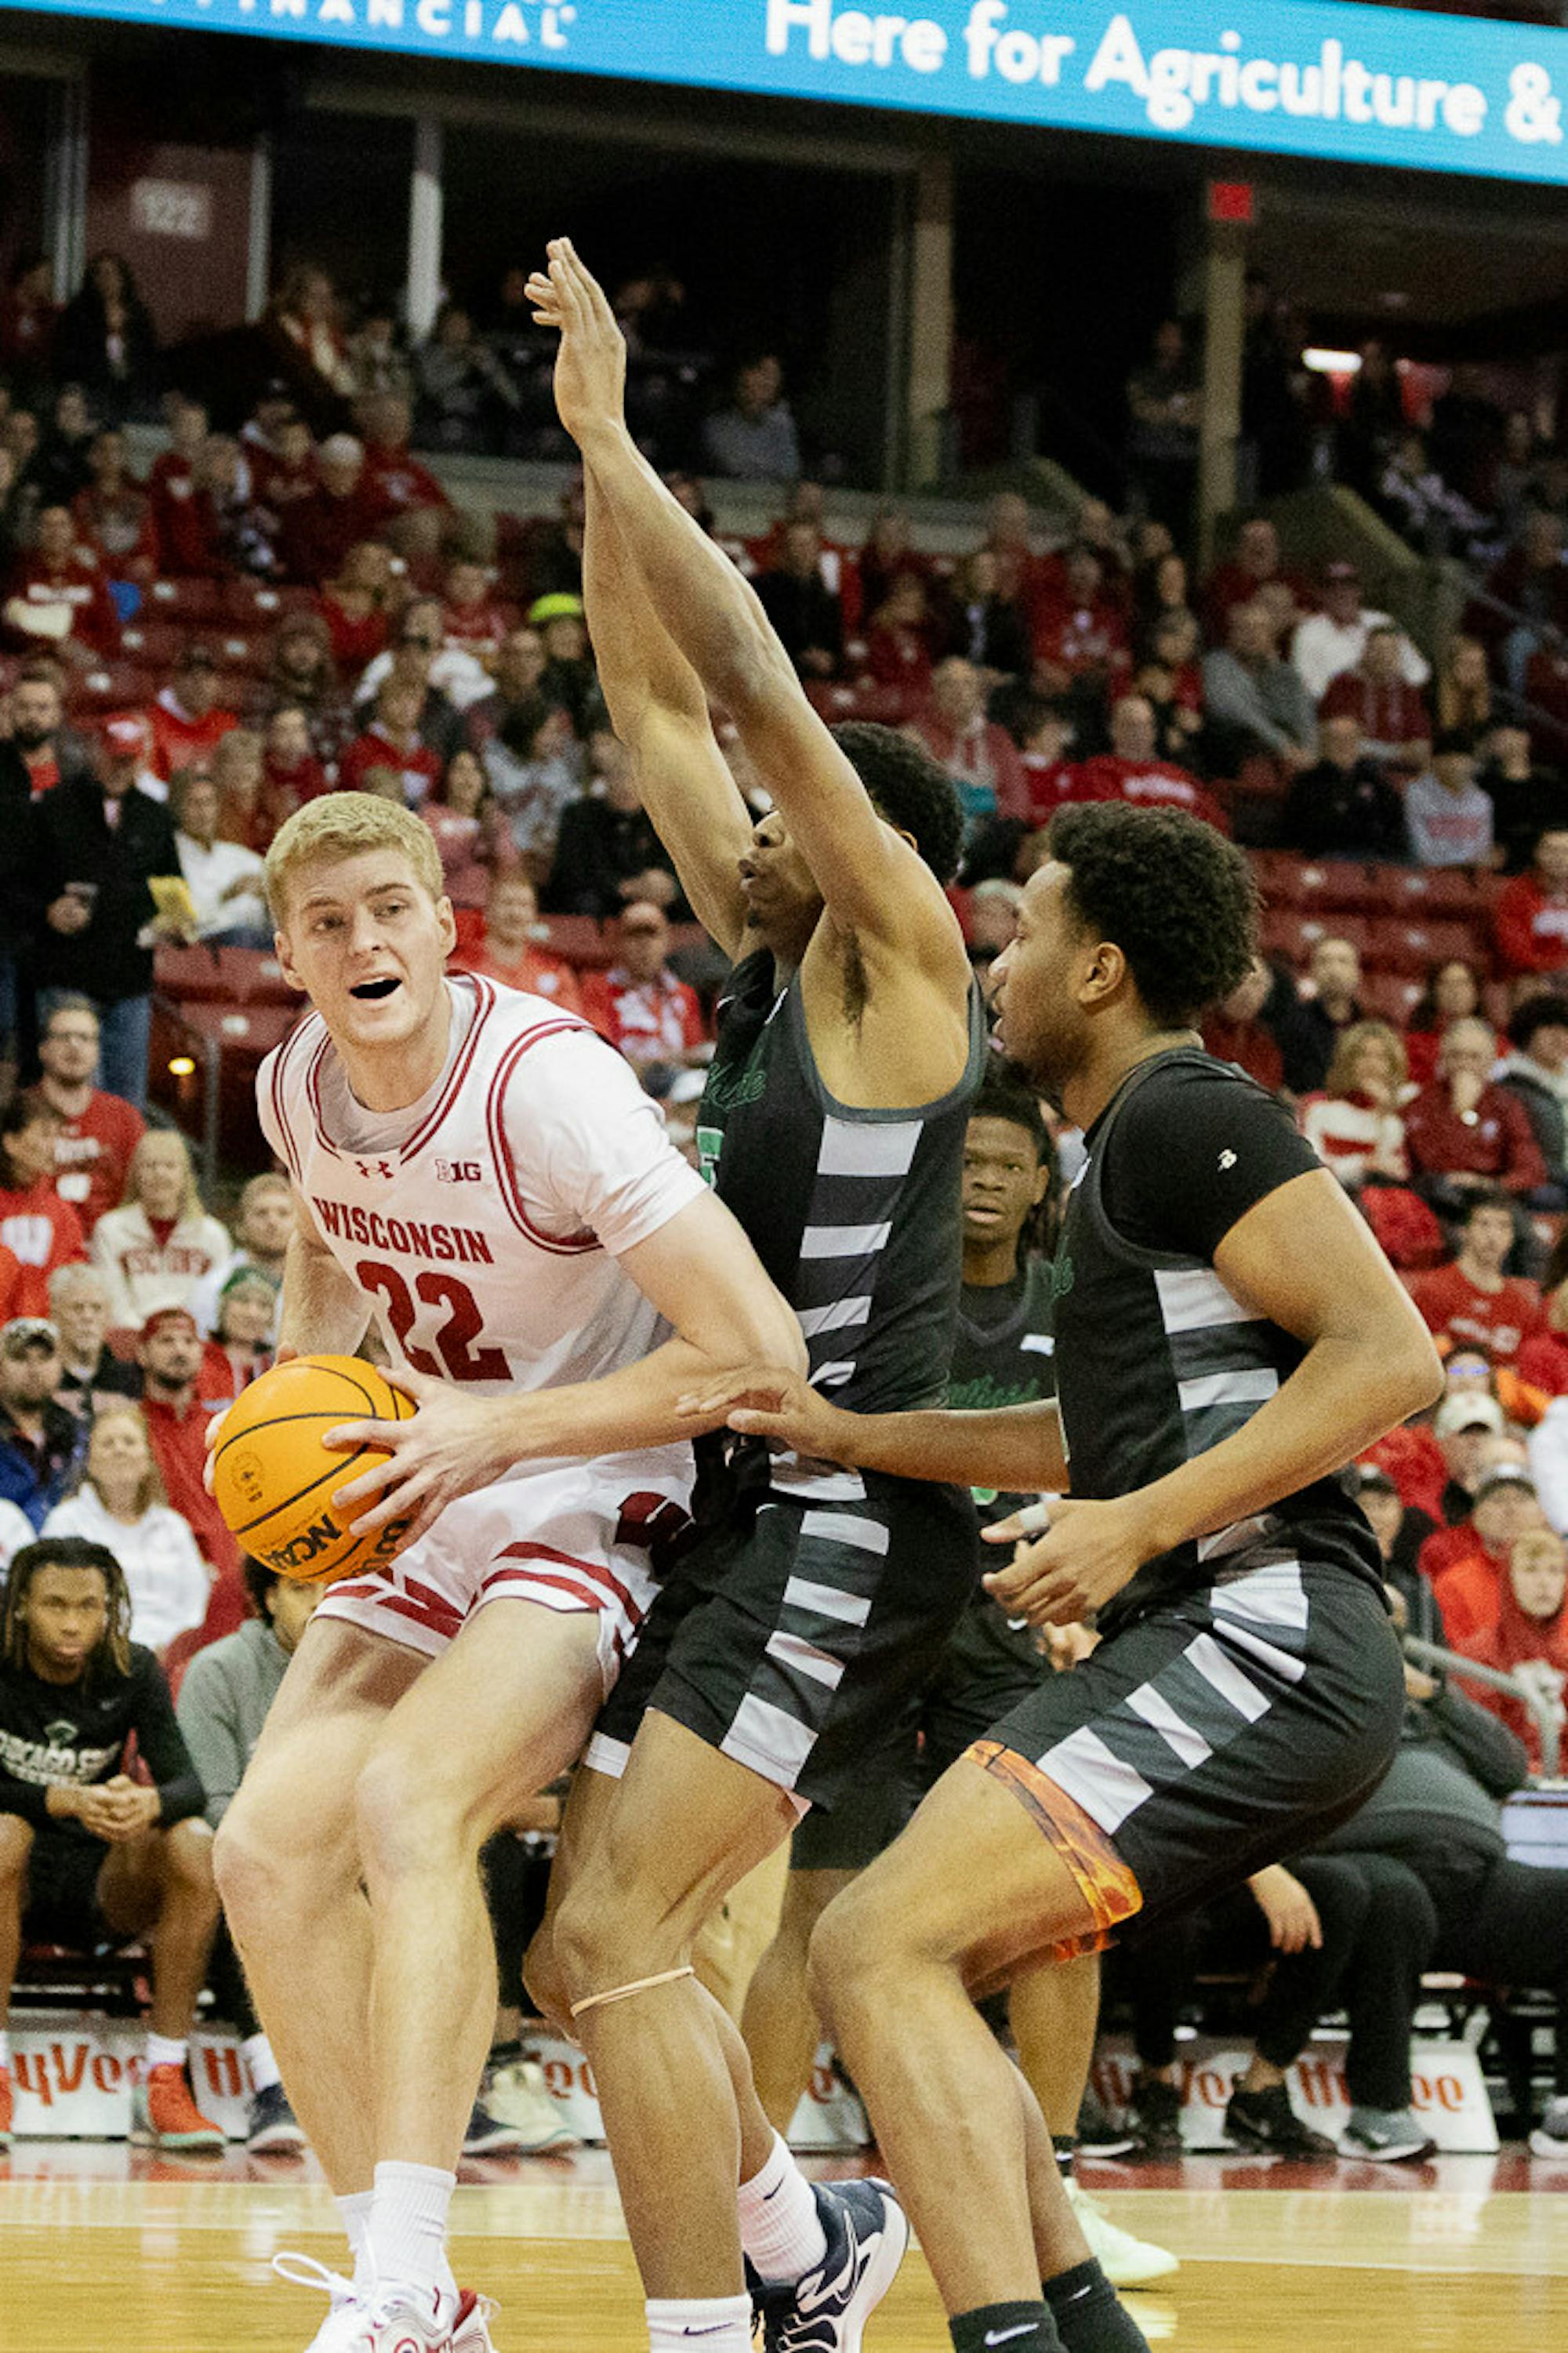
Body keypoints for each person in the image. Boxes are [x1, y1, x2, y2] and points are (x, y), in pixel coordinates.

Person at [692, 793, 1442, 2353]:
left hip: (1263, 1629)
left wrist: (1141, 1519)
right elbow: (1070, 1434)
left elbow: (1393, 1355)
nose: (992, 968)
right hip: (1231, 1635)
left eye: (1022, 933)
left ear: (1099, 970)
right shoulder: (1120, 1159)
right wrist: (850, 1428)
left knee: (872, 1945)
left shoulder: (1182, 1112)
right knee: (894, 1952)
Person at [518, 243, 982, 2353]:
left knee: (617, 1925)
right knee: (569, 1956)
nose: (733, 844)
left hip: (844, 1523)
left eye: (780, 826)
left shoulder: (901, 968)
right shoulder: (769, 954)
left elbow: (752, 698)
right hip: (743, 1502)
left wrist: (630, 432)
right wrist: (580, 475)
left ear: (854, 838)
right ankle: (805, 2254)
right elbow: (644, 701)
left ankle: (714, 2339)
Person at [209, 790, 803, 2353]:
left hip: (606, 1489)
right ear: (284, 951)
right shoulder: (292, 1087)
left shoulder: (551, 1087)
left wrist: (497, 1428)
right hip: (436, 1483)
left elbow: (752, 1352)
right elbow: (329, 1247)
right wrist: (296, 1440)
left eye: (386, 909)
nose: (361, 941)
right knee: (262, 1856)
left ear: (442, 923)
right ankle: (421, 2294)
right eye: (325, 923)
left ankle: (405, 2277)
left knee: (413, 1806)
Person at [739, 1068, 1177, 2299]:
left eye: (1005, 1163)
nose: (982, 1177)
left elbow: (1120, 1456)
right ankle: (761, 2197)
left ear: (1043, 1186)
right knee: (813, 1908)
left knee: (1061, 1910)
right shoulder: (891, 1303)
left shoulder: (1068, 1301)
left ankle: (1061, 2189)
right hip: (879, 1604)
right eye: (966, 1160)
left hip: (1012, 1621)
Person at [0, 1537, 222, 2154]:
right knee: (3, 1835)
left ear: (111, 1608)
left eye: (89, 1606)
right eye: (54, 1604)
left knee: (193, 1843)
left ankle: (164, 2077)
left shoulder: (132, 1666)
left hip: (100, 1876)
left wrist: (148, 1804)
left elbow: (188, 1785)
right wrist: (57, 1798)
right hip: (8, 1877)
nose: (73, 1622)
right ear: (20, 1605)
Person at [175, 1553, 319, 2151]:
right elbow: (210, 1800)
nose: (320, 1601)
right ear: (265, 1599)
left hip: (350, 1858)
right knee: (233, 1866)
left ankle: (473, 2090)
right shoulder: (221, 1670)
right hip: (259, 1859)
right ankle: (275, 2084)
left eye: (337, 1586)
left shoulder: (381, 1668)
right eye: (301, 1587)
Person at [25, 713, 187, 1109]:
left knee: (126, 1100)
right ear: (95, 750)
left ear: (144, 759)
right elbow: (18, 883)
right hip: (67, 974)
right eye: (115, 758)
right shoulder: (53, 807)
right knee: (70, 1092)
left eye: (130, 760)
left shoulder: (155, 817)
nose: (121, 768)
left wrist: (176, 921)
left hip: (129, 978)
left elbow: (172, 888)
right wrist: (47, 910)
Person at [42, 1403, 211, 1654]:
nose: (119, 1450)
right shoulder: (65, 1523)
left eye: (129, 1442)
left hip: (176, 1657)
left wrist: (175, 1649)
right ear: (90, 1462)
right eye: (108, 1444)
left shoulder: (173, 1526)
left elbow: (197, 1603)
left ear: (147, 1459)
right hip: (100, 1654)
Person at [24, 993, 145, 1233]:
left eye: (85, 1038)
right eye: (63, 1037)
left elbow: (139, 1196)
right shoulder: (18, 1113)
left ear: (98, 1051)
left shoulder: (125, 1118)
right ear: (43, 1049)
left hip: (105, 1251)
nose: (74, 1045)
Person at [92, 1130, 234, 1332]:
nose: (160, 1174)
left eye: (170, 1166)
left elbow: (219, 1303)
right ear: (135, 1174)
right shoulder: (111, 1229)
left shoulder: (212, 1234)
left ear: (186, 1175)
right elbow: (114, 1301)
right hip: (131, 1344)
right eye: (150, 1166)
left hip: (197, 1343)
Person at [136, 1305, 240, 1578]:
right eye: (166, 1341)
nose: (179, 1350)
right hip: (162, 1571)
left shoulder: (224, 1425)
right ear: (142, 1353)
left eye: (188, 1341)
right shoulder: (130, 1428)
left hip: (230, 1571)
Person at [1403, 1020, 1547, 1216]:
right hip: (1436, 1201)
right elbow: (1430, 1163)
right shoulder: (1422, 1103)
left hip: (1492, 1198)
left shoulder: (1507, 1104)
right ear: (1443, 1059)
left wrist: (1488, 1185)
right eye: (1456, 1056)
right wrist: (1461, 1112)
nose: (1465, 1064)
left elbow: (1531, 1170)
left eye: (1474, 1057)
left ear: (1491, 1061)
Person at [544, 728, 683, 919]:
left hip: (654, 904)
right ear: (606, 780)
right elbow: (570, 873)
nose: (626, 786)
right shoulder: (579, 816)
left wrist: (669, 884)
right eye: (619, 777)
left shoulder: (663, 821)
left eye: (633, 778)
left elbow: (675, 868)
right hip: (601, 904)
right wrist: (625, 888)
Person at [1411, 1189, 1543, 1367]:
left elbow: (1519, 1371)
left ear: (1512, 1237)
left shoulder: (1521, 1307)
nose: (1493, 1236)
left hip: (1499, 1391)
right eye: (1484, 1224)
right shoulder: (1434, 1288)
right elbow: (1429, 1357)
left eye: (1503, 1226)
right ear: (1464, 1232)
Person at [579, 902, 707, 1084]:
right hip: (623, 1081)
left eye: (652, 935)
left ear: (666, 941)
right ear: (617, 942)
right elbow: (601, 1050)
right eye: (634, 935)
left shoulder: (684, 994)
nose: (644, 944)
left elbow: (696, 1053)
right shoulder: (596, 988)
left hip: (680, 1084)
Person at [1200, 599, 1315, 775]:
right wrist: (1283, 746)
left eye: (1260, 628)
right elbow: (1236, 711)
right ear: (1231, 634)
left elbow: (1304, 716)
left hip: (1290, 761)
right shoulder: (1217, 665)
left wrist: (1309, 752)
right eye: (1244, 628)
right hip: (1239, 757)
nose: (1252, 635)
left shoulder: (1284, 673)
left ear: (1271, 636)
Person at [1291, 561, 1428, 705]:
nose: (1342, 593)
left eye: (1348, 585)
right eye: (1333, 587)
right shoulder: (1308, 632)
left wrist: (1387, 685)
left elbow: (1419, 672)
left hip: (1392, 707)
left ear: (1359, 590)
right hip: (1341, 712)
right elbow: (1309, 688)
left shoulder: (1382, 621)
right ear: (1322, 594)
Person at [0, 1094, 86, 1316]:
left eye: (56, 1135)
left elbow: (74, 1274)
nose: (53, 1145)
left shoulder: (61, 1213)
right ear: (10, 1143)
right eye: (45, 1134)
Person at [1298, 1022, 1410, 1189]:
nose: (1372, 1065)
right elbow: (1308, 1167)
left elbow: (1397, 1174)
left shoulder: (1392, 1122)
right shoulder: (1317, 1106)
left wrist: (1384, 1115)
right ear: (1347, 1060)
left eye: (1382, 1058)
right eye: (1363, 1055)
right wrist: (1363, 1164)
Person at [1281, 713, 1404, 860]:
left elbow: (1395, 822)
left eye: (1350, 739)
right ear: (1324, 745)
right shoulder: (1307, 782)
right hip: (1324, 859)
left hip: (1373, 859)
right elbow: (1298, 830)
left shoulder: (1375, 780)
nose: (1343, 745)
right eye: (1336, 740)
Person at [0, 1317, 85, 1531]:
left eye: (45, 1358)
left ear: (61, 1367)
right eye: (20, 1358)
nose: (33, 1369)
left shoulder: (79, 1433)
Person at [172, 768, 273, 947]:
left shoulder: (237, 856)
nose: (203, 812)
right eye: (194, 804)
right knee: (241, 936)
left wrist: (268, 896)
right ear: (178, 807)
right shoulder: (170, 856)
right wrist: (226, 896)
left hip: (258, 942)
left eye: (208, 803)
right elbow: (186, 922)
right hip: (206, 950)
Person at [459, 871, 582, 1010]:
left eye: (523, 905)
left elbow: (572, 1027)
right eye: (507, 903)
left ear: (534, 915)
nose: (515, 914)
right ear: (488, 912)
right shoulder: (462, 969)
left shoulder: (556, 972)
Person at [1273, 934, 1367, 1096]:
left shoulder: (1369, 1027)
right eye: (1324, 962)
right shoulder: (1290, 1023)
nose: (1334, 970)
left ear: (1358, 973)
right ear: (1312, 972)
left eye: (1343, 961)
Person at [47, 1261, 142, 1416]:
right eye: (77, 1308)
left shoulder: (132, 1379)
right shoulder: (41, 1378)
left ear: (109, 1317)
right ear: (54, 1315)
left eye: (97, 1308)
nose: (88, 1317)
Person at [701, 354, 800, 482]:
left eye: (763, 387)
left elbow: (790, 470)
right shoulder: (717, 426)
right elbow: (735, 467)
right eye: (748, 388)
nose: (755, 395)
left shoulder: (782, 424)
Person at [1403, 732, 1495, 870]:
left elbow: (1483, 850)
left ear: (1472, 763)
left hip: (1469, 878)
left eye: (1461, 759)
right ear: (1435, 762)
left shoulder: (1481, 800)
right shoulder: (1416, 794)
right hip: (1428, 876)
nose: (1455, 765)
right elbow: (1421, 851)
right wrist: (1462, 864)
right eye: (1449, 758)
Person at [148, 645, 239, 783]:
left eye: (207, 677)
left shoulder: (227, 725)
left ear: (218, 684)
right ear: (175, 680)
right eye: (191, 676)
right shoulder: (152, 725)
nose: (200, 684)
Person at [1494, 826, 1568, 981]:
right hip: (1532, 976)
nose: (1559, 858)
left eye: (1565, 851)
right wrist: (1553, 968)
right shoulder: (1516, 893)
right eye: (1551, 850)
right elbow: (1514, 950)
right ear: (1537, 853)